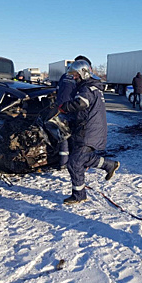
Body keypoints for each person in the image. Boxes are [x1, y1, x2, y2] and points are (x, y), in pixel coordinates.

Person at [57, 60, 120, 204]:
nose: (73, 78)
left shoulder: (87, 89)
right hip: (90, 129)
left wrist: (63, 107)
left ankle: (79, 195)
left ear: (83, 73)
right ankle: (110, 165)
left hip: (89, 131)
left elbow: (81, 103)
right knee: (81, 159)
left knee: (74, 162)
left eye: (75, 75)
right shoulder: (91, 87)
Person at [55, 55, 92, 170]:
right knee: (74, 136)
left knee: (63, 136)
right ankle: (76, 161)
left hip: (61, 107)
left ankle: (63, 163)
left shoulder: (64, 76)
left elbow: (58, 89)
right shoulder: (78, 79)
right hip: (71, 108)